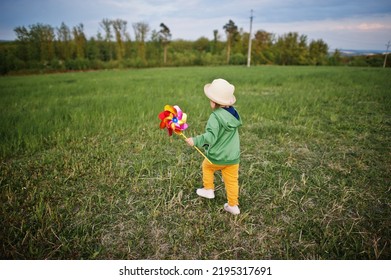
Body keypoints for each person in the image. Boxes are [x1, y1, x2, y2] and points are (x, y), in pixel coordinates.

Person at [185, 78, 242, 215]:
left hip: (217, 157)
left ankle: (208, 189)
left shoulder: (215, 117)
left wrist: (195, 140)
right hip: (233, 158)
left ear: (214, 102)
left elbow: (210, 137)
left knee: (207, 166)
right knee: (232, 181)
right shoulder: (233, 114)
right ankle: (233, 205)